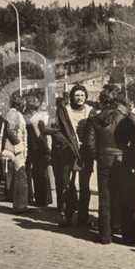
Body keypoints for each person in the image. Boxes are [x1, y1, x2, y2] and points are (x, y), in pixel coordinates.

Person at [83, 84, 135, 245]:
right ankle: (129, 236)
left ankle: (105, 236)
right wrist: (129, 157)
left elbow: (88, 144)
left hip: (104, 160)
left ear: (101, 102)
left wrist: (99, 156)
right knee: (126, 197)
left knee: (105, 197)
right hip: (122, 159)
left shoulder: (94, 119)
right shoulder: (125, 118)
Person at [46, 84, 96, 228]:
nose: (79, 98)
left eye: (82, 95)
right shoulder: (63, 111)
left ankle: (83, 217)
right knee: (66, 185)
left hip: (85, 153)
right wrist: (67, 144)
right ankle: (65, 216)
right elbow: (56, 130)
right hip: (67, 153)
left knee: (85, 186)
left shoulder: (91, 112)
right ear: (71, 97)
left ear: (86, 96)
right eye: (76, 95)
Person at [0, 94, 29, 213]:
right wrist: (19, 145)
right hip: (16, 150)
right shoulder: (14, 115)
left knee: (19, 176)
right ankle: (20, 206)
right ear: (21, 104)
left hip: (15, 149)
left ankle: (18, 203)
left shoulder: (13, 114)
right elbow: (11, 131)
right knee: (21, 176)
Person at [27, 97, 52, 207]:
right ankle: (47, 198)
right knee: (44, 174)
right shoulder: (46, 116)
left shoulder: (34, 119)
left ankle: (41, 200)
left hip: (38, 148)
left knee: (38, 174)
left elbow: (38, 136)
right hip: (43, 147)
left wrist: (45, 148)